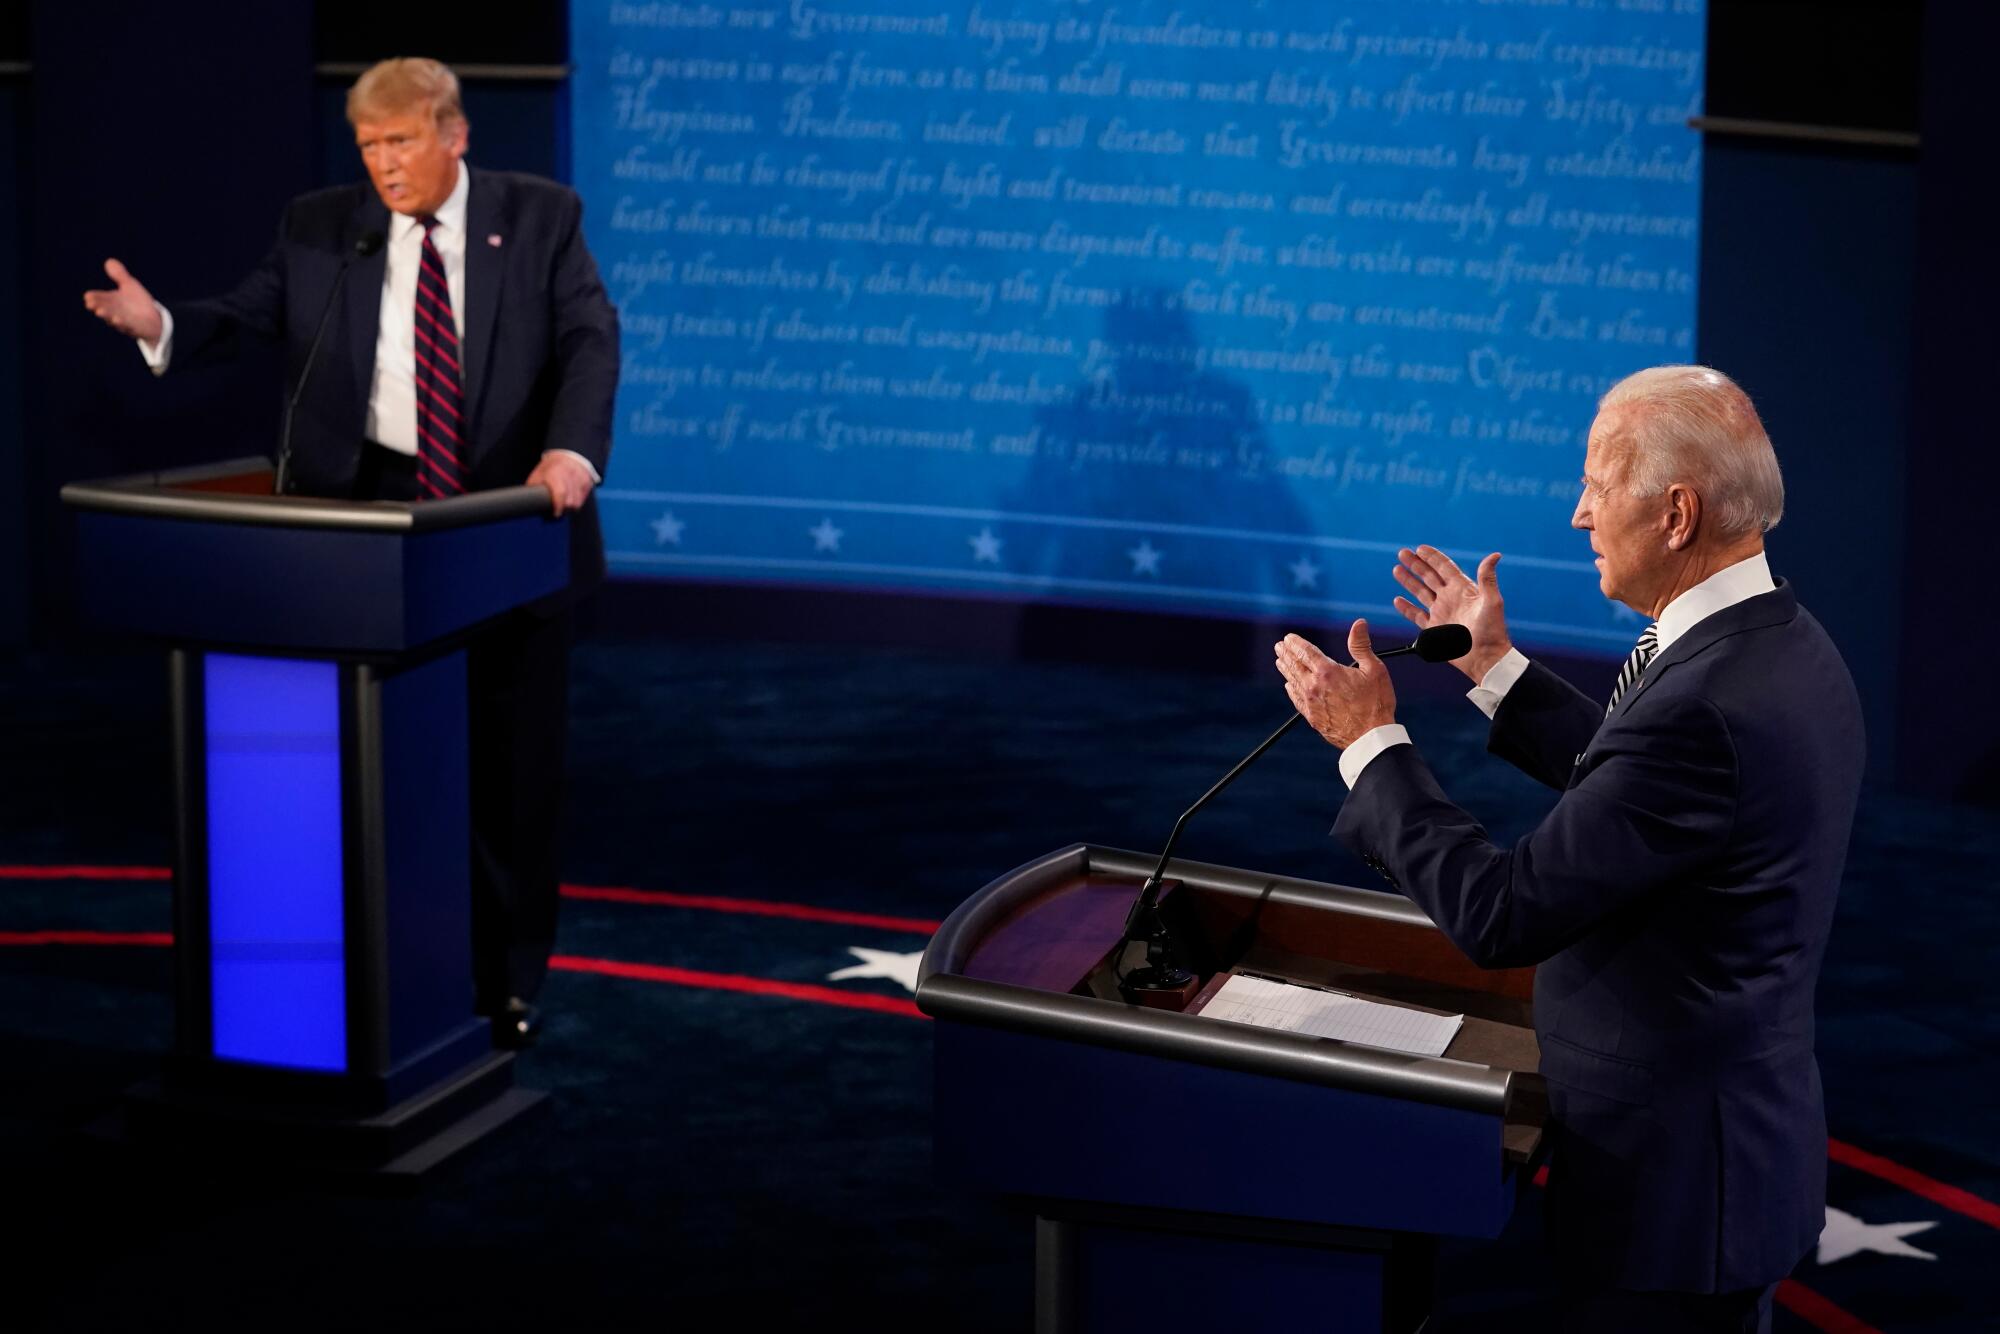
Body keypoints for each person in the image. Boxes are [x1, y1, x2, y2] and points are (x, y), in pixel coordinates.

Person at [1272, 366, 1862, 1332]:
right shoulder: (1780, 642)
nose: (1580, 513)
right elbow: (1644, 800)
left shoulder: (1706, 703)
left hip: (1673, 1194)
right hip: (1720, 1154)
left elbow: (1503, 912)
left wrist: (1369, 743)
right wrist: (1491, 668)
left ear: (1677, 513)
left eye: (1599, 484)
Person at [82, 57, 620, 1048]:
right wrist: (162, 325)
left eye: (401, 141)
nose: (383, 165)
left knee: (508, 773)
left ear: (454, 135)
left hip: (507, 524)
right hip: (367, 535)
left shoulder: (540, 215)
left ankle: (504, 982)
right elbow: (245, 315)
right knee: (372, 768)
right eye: (369, 145)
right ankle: (378, 965)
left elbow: (589, 336)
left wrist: (572, 447)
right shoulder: (323, 224)